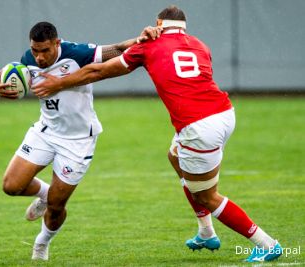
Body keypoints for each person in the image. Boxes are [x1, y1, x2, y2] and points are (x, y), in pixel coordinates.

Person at [31, 6, 283, 263]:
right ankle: (206, 233)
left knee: (206, 195)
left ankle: (266, 243)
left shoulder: (149, 45)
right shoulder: (199, 45)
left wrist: (57, 83)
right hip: (225, 113)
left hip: (198, 127)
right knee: (175, 156)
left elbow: (98, 71)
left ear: (158, 24)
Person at [0, 21, 160, 260]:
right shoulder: (29, 58)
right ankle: (46, 194)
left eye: (45, 51)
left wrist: (140, 39)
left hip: (78, 141)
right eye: (35, 50)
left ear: (57, 43)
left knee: (57, 206)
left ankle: (41, 243)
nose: (39, 57)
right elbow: (8, 73)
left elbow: (117, 49)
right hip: (46, 131)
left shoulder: (76, 54)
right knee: (11, 186)